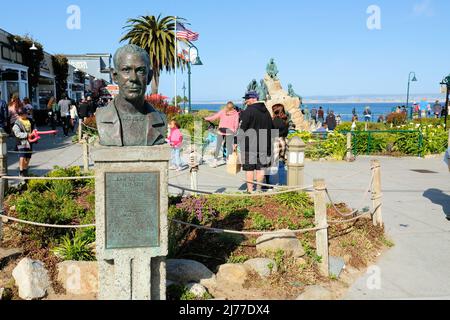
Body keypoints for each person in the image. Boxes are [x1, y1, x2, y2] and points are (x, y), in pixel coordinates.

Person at [96, 44, 167, 146]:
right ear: (115, 76)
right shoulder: (102, 116)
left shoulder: (160, 120)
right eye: (126, 70)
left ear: (149, 77)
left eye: (140, 71)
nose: (133, 78)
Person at [235, 91, 274, 193]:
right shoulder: (266, 112)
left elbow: (242, 128)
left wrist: (235, 141)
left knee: (249, 169)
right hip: (264, 145)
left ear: (253, 99)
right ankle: (259, 189)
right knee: (261, 168)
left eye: (247, 99)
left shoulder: (249, 111)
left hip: (249, 145)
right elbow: (272, 128)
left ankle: (250, 191)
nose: (245, 101)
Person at [204, 101, 240, 167]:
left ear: (226, 106)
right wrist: (235, 131)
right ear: (233, 107)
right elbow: (236, 124)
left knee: (218, 146)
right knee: (229, 147)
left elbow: (214, 117)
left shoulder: (223, 111)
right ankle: (229, 161)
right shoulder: (236, 113)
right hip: (230, 132)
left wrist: (206, 118)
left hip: (221, 131)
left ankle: (215, 161)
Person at [267, 104, 288, 186]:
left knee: (270, 163)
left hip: (274, 141)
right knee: (281, 163)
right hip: (283, 141)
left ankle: (268, 183)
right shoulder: (285, 120)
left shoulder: (274, 121)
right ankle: (282, 182)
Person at [12, 108, 35, 177]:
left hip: (29, 141)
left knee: (28, 156)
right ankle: (21, 171)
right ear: (20, 115)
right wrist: (27, 135)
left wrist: (34, 131)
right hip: (21, 141)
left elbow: (34, 127)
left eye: (26, 113)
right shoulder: (17, 123)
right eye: (24, 114)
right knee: (22, 155)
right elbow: (17, 134)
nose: (26, 115)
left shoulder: (30, 120)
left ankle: (25, 169)